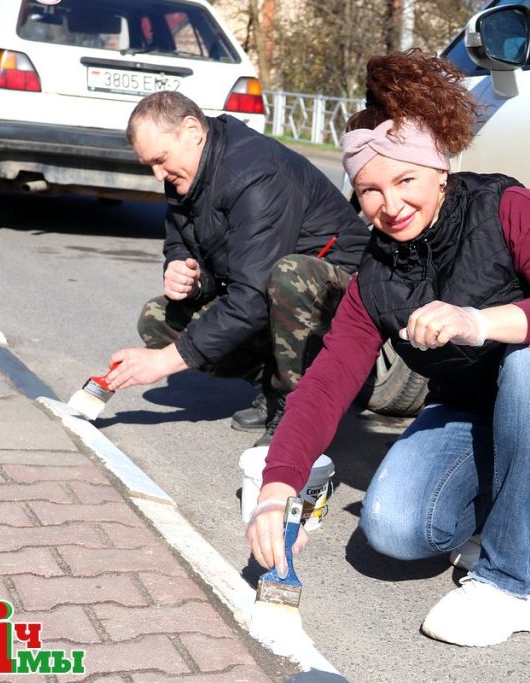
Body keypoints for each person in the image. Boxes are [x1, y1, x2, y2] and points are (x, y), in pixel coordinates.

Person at [245, 49, 530, 648]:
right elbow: (327, 383)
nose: (390, 205)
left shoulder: (507, 207)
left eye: (405, 180)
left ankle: (513, 583)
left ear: (439, 169)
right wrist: (277, 488)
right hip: (475, 404)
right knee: (393, 530)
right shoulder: (374, 277)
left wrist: (475, 321)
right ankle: (504, 500)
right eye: (370, 190)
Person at [104, 91, 369, 445]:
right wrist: (186, 273)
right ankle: (275, 386)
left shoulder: (255, 174)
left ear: (192, 130)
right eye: (149, 164)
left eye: (161, 159)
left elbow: (252, 296)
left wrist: (165, 362)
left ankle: (301, 410)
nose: (157, 174)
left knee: (289, 276)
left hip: (344, 295)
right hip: (270, 294)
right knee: (157, 318)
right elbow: (184, 242)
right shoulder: (188, 173)